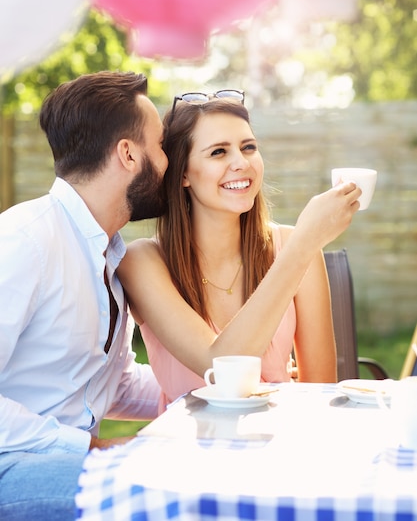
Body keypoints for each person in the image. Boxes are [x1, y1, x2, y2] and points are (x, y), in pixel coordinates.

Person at [118, 92, 361, 414]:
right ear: (184, 174)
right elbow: (220, 369)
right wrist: (304, 245)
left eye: (248, 147)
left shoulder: (293, 246)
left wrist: (301, 245)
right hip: (185, 453)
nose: (241, 163)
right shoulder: (143, 262)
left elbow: (320, 391)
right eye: (218, 152)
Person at [0, 71, 168, 521]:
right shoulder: (25, 240)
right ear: (129, 154)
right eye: (162, 146)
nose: (170, 163)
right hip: (9, 466)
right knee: (155, 497)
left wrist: (217, 388)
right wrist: (87, 448)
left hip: (57, 461)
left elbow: (113, 383)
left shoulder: (110, 253)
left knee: (189, 471)